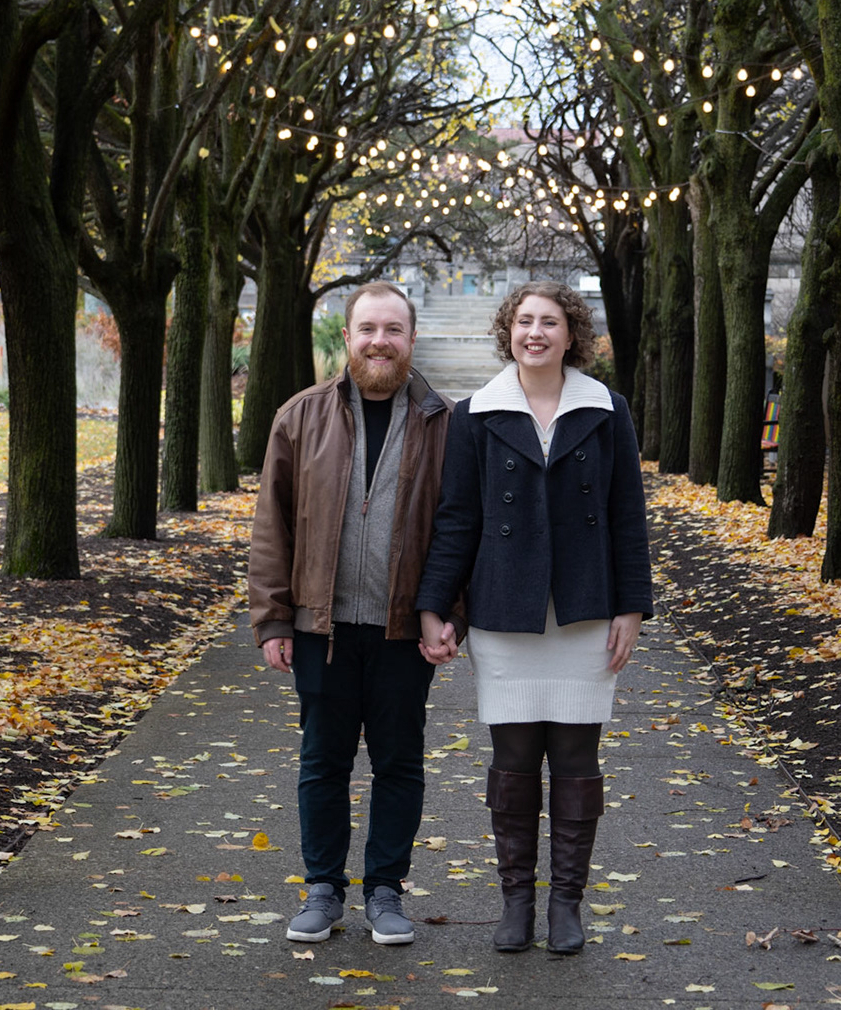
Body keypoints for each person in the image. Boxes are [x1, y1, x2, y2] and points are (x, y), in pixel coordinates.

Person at [415, 280, 651, 956]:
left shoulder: (607, 409)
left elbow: (627, 517)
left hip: (585, 611)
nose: (536, 333)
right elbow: (457, 518)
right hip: (504, 612)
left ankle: (567, 906)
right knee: (514, 757)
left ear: (571, 333)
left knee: (577, 758)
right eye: (525, 322)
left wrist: (632, 606)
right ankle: (516, 902)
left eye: (550, 322)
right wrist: (436, 605)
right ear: (508, 332)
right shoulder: (476, 414)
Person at [247, 280, 461, 947]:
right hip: (322, 631)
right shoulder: (300, 416)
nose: (379, 341)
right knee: (323, 760)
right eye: (368, 328)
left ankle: (386, 892)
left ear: (411, 338)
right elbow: (271, 526)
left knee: (399, 763)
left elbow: (460, 528)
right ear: (348, 337)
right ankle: (322, 890)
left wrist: (446, 611)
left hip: (403, 631)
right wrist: (273, 620)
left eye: (392, 329)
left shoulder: (445, 423)